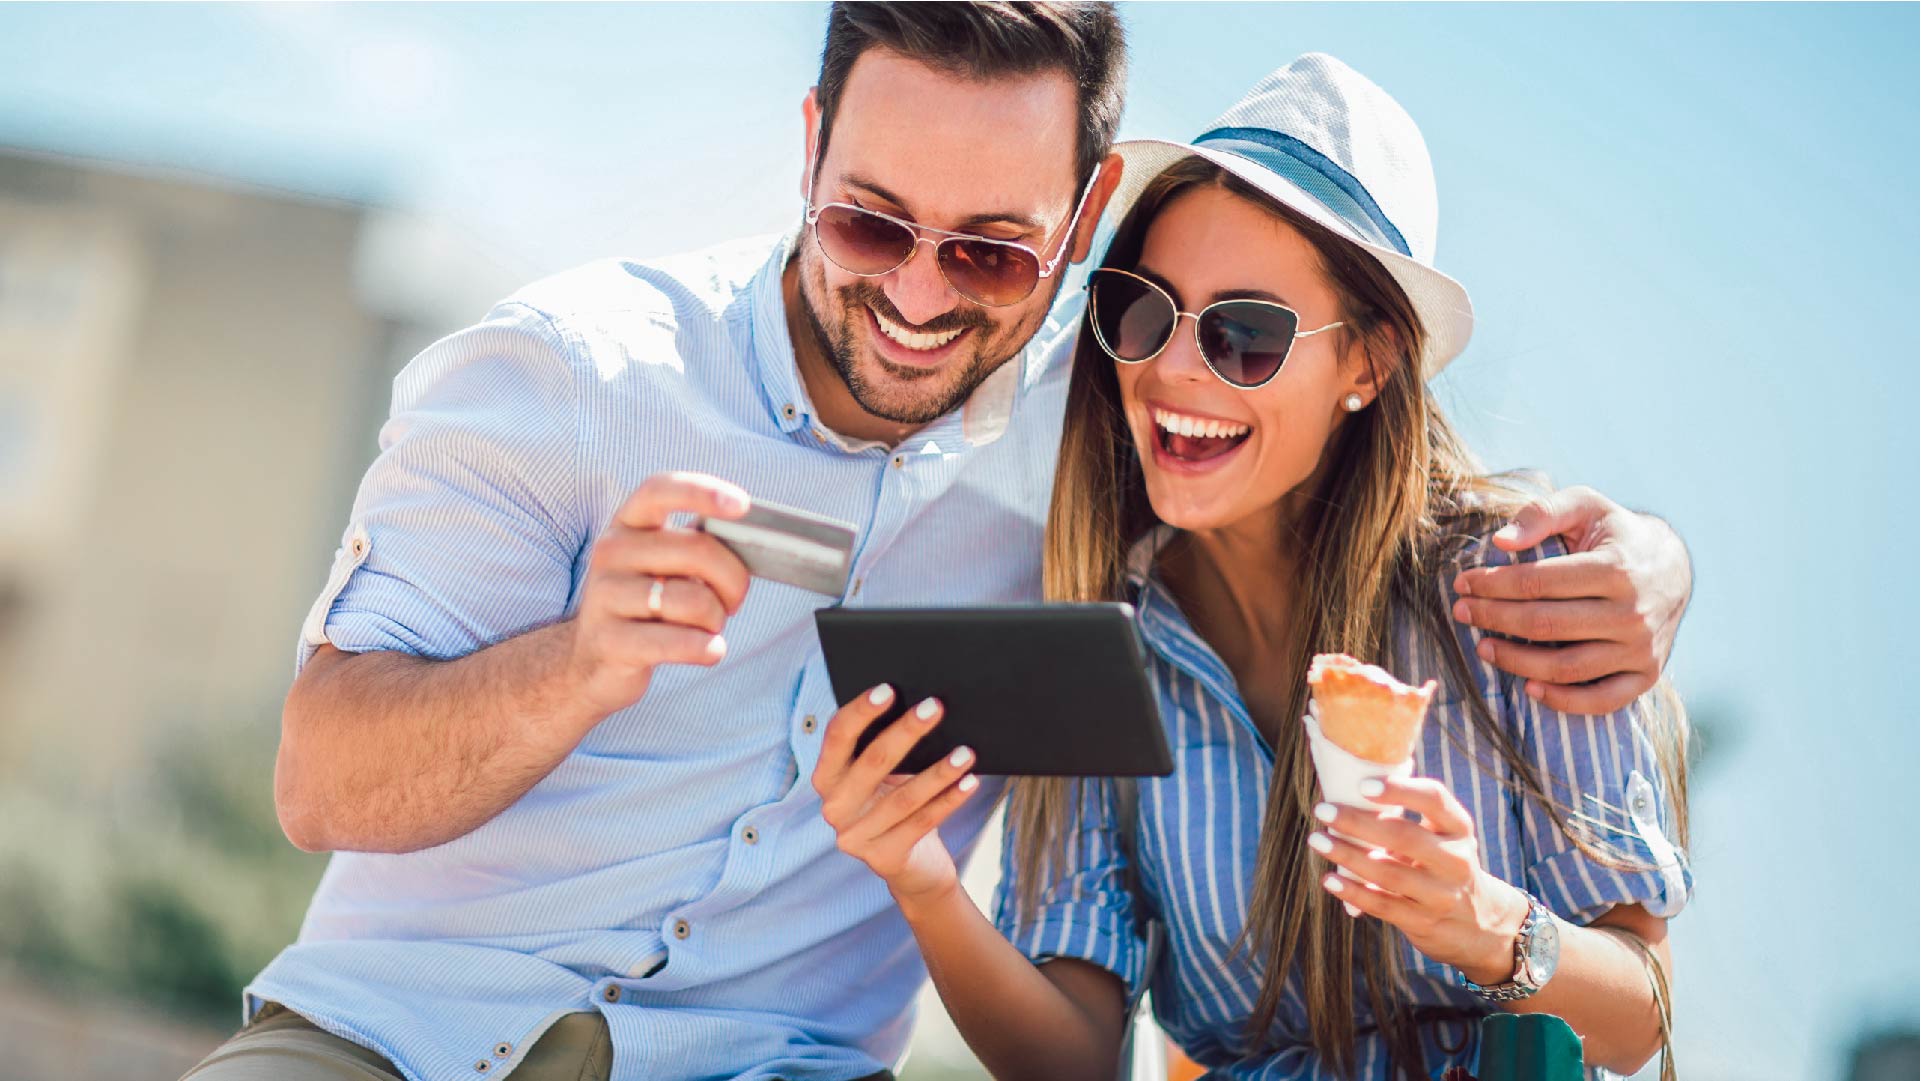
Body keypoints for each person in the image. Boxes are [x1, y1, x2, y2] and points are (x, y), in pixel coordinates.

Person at [184, 7, 1692, 1080]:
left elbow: (1635, 1012)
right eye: (867, 225)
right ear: (807, 149)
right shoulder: (575, 379)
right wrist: (574, 666)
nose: (916, 294)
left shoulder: (1106, 452)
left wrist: (1650, 561)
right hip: (402, 1037)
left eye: (986, 248)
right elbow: (320, 780)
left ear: (1079, 217)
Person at [814, 54, 1690, 1080]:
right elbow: (1071, 1057)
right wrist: (918, 878)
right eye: (1143, 312)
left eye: (1244, 335)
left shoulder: (1521, 592)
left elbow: (1641, 1020)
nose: (1172, 367)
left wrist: (1482, 920)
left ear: (1364, 363)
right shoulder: (1109, 645)